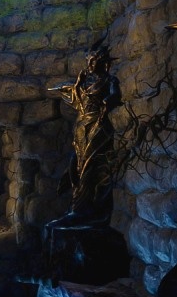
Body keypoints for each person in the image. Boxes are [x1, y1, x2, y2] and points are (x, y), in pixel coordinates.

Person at [45, 41, 123, 230]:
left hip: (98, 126)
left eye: (93, 60)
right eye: (88, 60)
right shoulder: (87, 83)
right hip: (82, 126)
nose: (90, 65)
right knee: (77, 164)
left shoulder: (110, 80)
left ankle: (83, 210)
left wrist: (107, 102)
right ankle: (79, 207)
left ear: (102, 62)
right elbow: (79, 104)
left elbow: (115, 96)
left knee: (91, 164)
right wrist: (78, 84)